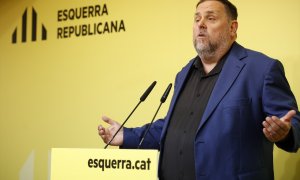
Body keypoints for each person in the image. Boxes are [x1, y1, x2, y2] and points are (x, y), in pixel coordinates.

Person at [98, 0, 300, 179]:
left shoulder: (261, 69)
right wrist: (126, 135)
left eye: (210, 18)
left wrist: (285, 133)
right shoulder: (184, 73)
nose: (201, 24)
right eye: (197, 19)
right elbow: (172, 127)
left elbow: (293, 123)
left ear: (232, 27)